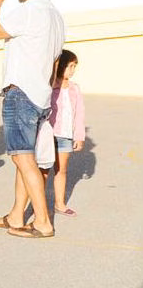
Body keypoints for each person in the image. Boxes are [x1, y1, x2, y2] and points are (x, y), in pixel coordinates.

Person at [0, 0, 66, 239]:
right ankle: (17, 216)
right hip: (40, 93)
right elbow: (55, 61)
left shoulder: (28, 10)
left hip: (21, 92)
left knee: (22, 158)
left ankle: (42, 222)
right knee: (25, 157)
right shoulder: (55, 14)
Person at [47, 49, 84, 217]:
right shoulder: (50, 86)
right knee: (42, 171)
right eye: (70, 66)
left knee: (61, 170)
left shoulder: (75, 89)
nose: (73, 70)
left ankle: (60, 204)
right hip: (47, 135)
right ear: (60, 66)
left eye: (75, 66)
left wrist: (79, 137)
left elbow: (79, 114)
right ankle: (37, 203)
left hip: (65, 137)